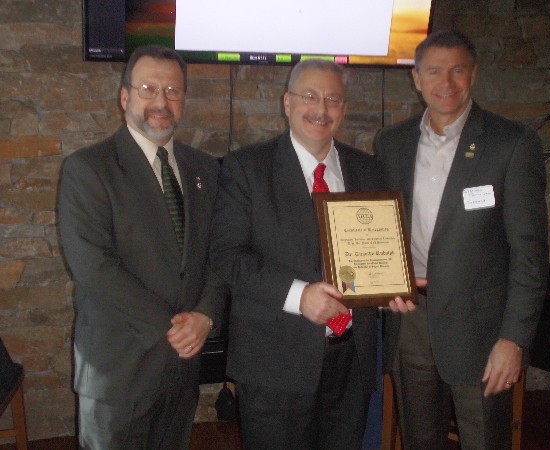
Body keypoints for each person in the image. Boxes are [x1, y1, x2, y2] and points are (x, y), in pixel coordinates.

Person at [375, 30, 549, 450]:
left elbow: (530, 254)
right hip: (412, 318)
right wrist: (378, 286)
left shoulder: (512, 144)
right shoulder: (391, 144)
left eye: (457, 70)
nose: (446, 83)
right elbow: (382, 231)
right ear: (416, 78)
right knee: (420, 438)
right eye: (434, 71)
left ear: (473, 75)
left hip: (484, 332)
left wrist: (514, 340)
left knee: (484, 441)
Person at [58, 45, 227, 449]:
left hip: (183, 371)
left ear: (184, 100)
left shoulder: (205, 169)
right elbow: (93, 267)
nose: (160, 101)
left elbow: (221, 254)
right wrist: (173, 329)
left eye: (172, 90)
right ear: (125, 97)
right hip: (118, 372)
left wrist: (205, 315)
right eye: (148, 88)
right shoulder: (88, 169)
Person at [209, 59, 384, 450]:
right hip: (275, 361)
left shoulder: (368, 170)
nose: (321, 109)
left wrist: (390, 288)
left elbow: (376, 252)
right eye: (309, 96)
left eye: (333, 99)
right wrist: (298, 296)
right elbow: (225, 256)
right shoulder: (246, 169)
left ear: (344, 108)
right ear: (286, 103)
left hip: (350, 359)